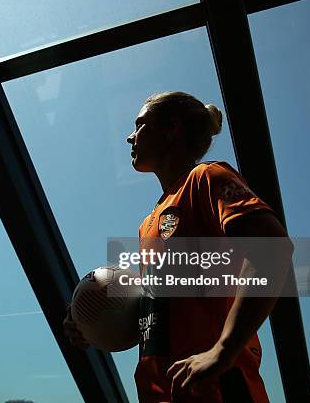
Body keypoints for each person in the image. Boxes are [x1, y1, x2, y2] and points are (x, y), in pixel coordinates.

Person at [63, 91, 292, 402]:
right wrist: (93, 324)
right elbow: (165, 310)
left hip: (216, 390)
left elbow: (271, 247)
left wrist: (224, 350)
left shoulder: (206, 178)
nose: (130, 138)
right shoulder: (149, 222)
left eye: (140, 125)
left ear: (172, 130)